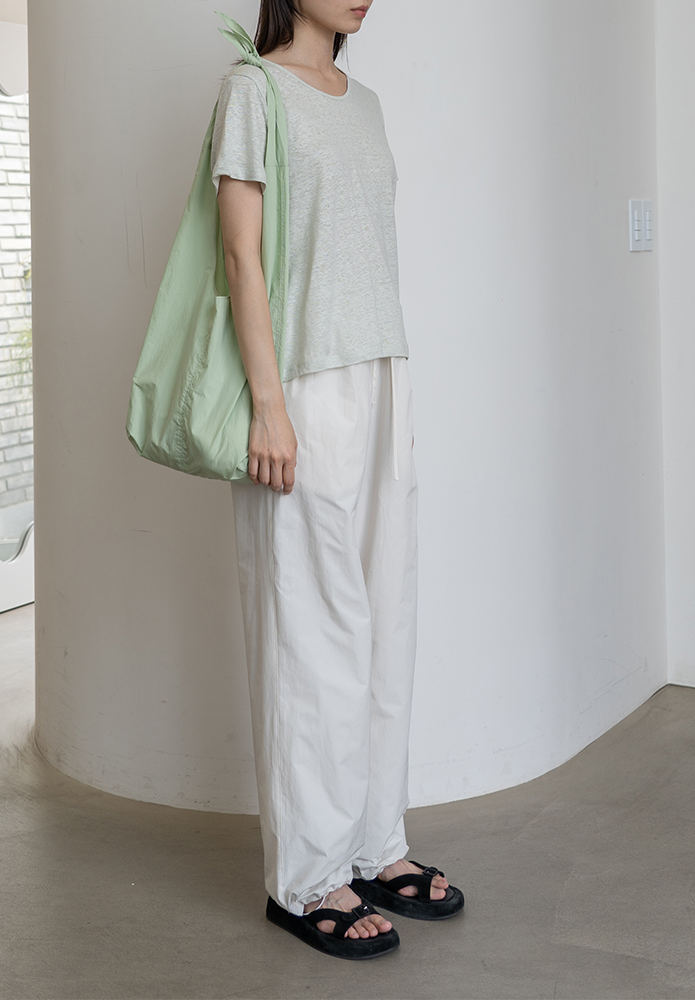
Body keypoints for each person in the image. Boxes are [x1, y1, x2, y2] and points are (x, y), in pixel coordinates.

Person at [211, 0, 464, 959]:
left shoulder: (365, 102)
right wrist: (268, 405)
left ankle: (374, 844)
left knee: (385, 620)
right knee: (312, 634)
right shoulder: (252, 91)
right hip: (302, 383)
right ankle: (308, 877)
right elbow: (240, 254)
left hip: (382, 373)